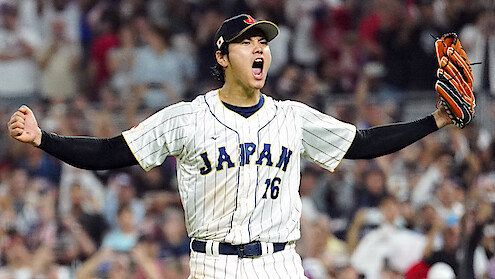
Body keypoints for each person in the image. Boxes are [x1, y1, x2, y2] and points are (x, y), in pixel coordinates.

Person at [8, 14, 455, 278]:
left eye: (264, 43)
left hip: (281, 263)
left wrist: (436, 119)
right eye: (248, 43)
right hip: (214, 266)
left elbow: (363, 142)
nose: (260, 49)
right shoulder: (186, 118)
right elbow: (109, 153)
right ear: (223, 56)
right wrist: (44, 138)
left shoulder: (291, 117)